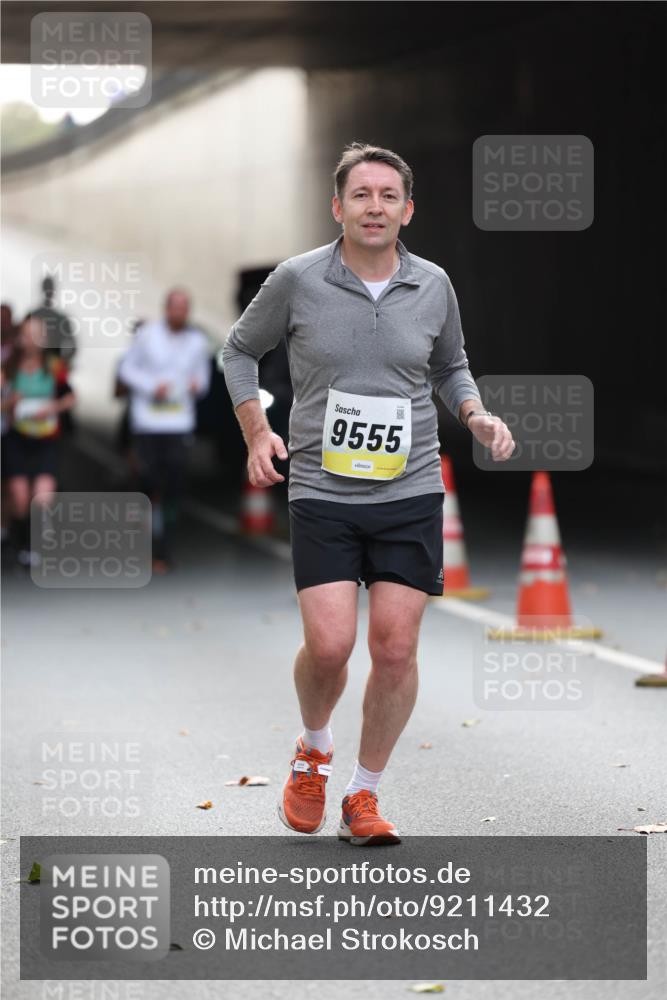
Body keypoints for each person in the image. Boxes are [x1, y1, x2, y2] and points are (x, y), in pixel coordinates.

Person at [223, 142, 515, 846]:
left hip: (408, 488)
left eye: (388, 195)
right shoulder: (297, 280)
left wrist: (473, 413)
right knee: (329, 646)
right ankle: (313, 751)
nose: (374, 206)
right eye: (361, 195)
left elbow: (450, 366)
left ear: (407, 209)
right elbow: (237, 350)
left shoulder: (432, 284)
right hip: (322, 487)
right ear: (338, 207)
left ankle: (363, 795)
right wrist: (257, 432)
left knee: (392, 650)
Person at [117, 289, 211, 573]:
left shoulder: (197, 341)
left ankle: (164, 545)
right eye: (175, 307)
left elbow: (204, 380)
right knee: (147, 482)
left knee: (173, 485)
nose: (180, 313)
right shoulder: (147, 335)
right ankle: (147, 544)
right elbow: (126, 370)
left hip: (178, 422)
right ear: (166, 308)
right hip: (148, 422)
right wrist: (150, 386)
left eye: (185, 308)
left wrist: (196, 386)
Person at [2, 314, 76, 567]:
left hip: (46, 439)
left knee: (43, 497)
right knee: (20, 497)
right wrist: (10, 403)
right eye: (27, 333)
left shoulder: (54, 367)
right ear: (20, 337)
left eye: (37, 334)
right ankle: (19, 541)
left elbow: (71, 397)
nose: (32, 339)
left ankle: (34, 546)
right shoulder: (8, 368)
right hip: (17, 438)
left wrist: (53, 406)